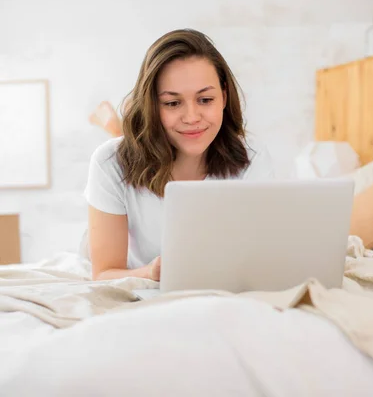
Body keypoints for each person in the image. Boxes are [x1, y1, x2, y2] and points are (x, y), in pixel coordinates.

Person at [83, 29, 275, 282]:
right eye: (172, 103)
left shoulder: (252, 157)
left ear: (224, 96)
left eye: (205, 99)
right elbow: (105, 273)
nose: (192, 117)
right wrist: (152, 273)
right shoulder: (110, 162)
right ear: (152, 104)